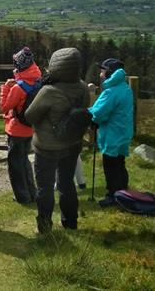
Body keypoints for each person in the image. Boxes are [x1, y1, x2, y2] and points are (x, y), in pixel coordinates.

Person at [25, 47, 90, 233]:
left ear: (55, 66)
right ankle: (70, 222)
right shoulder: (83, 88)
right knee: (66, 183)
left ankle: (44, 226)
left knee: (45, 187)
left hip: (47, 147)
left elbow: (30, 116)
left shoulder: (49, 91)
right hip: (72, 144)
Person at [88, 58, 134, 207]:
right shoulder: (125, 87)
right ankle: (123, 192)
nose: (101, 74)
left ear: (109, 73)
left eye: (103, 71)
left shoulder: (110, 91)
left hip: (112, 134)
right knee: (120, 163)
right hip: (123, 132)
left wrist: (87, 115)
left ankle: (113, 197)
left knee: (111, 166)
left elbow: (98, 113)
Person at [0, 46, 41, 204]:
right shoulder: (37, 81)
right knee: (24, 162)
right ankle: (32, 193)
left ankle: (22, 197)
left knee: (15, 165)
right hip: (30, 128)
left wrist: (5, 88)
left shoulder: (18, 87)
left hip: (16, 129)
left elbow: (4, 108)